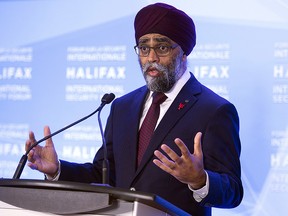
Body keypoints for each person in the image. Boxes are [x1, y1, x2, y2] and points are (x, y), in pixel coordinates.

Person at [25, 3, 243, 216]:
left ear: (184, 52)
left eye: (162, 47)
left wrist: (200, 180)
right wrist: (57, 170)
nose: (151, 58)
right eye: (144, 48)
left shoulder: (214, 110)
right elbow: (103, 174)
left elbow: (233, 191)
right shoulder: (122, 106)